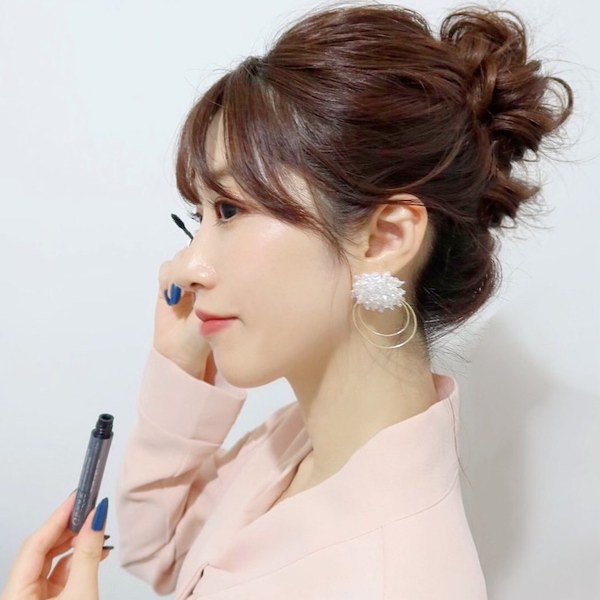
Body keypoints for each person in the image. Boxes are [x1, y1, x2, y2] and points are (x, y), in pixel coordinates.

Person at [1, 3, 573, 599]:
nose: (187, 267)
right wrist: (181, 365)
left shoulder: (394, 578)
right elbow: (160, 552)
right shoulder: (303, 440)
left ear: (386, 237)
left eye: (229, 210)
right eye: (196, 218)